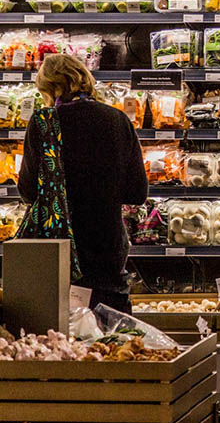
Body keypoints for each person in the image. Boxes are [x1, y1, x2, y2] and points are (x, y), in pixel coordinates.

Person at [18, 54, 148, 313]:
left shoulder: (44, 123)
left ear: (50, 88)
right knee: (112, 334)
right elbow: (137, 192)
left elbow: (29, 190)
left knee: (61, 338)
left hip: (59, 248)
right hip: (106, 245)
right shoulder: (117, 119)